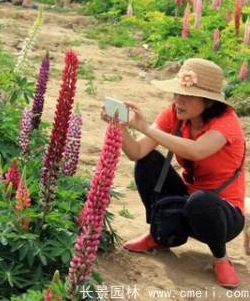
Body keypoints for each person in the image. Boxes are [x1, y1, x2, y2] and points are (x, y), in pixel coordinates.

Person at [101, 59, 246, 289]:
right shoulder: (174, 113)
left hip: (223, 213)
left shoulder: (227, 122)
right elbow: (136, 151)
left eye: (187, 95)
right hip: (187, 202)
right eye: (177, 93)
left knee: (201, 202)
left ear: (208, 102)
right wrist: (119, 128)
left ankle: (220, 258)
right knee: (148, 161)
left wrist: (146, 127)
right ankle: (158, 236)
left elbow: (197, 151)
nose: (178, 100)